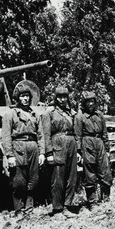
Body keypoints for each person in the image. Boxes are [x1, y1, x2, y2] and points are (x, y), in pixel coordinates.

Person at [1, 84, 44, 214]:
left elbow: (41, 135)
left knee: (34, 180)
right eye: (22, 96)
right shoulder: (10, 114)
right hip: (18, 147)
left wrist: (42, 152)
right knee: (18, 182)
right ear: (17, 98)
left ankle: (29, 208)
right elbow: (6, 136)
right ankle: (19, 210)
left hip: (33, 147)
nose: (25, 99)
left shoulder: (35, 114)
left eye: (27, 96)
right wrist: (9, 155)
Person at [40, 86, 79, 217]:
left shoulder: (71, 113)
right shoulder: (49, 113)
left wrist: (78, 151)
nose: (62, 100)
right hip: (57, 144)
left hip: (71, 143)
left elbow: (76, 132)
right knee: (58, 179)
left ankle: (68, 206)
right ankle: (57, 209)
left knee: (72, 177)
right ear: (55, 98)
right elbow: (46, 134)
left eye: (64, 97)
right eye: (60, 97)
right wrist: (49, 153)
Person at [74, 91, 113, 208]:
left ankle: (105, 199)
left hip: (99, 143)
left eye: (92, 101)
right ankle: (93, 202)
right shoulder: (80, 117)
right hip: (87, 144)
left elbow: (105, 133)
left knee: (105, 172)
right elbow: (78, 135)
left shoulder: (99, 115)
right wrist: (79, 151)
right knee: (90, 173)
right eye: (88, 102)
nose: (90, 104)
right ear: (84, 104)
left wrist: (107, 149)